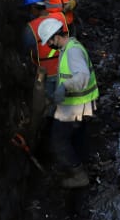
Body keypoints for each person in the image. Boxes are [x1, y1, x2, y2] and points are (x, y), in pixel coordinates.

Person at [38, 18, 97, 189]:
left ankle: (79, 175)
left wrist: (64, 86)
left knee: (58, 141)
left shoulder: (72, 52)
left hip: (74, 106)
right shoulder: (68, 47)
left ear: (56, 36)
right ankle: (83, 162)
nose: (49, 45)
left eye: (49, 41)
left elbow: (83, 76)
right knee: (77, 136)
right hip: (79, 103)